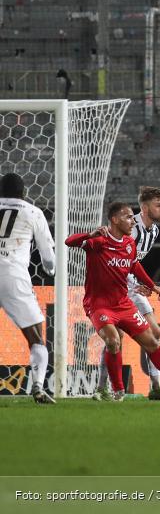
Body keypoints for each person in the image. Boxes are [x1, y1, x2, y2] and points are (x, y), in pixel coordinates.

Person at [65, 202, 160, 402]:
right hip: (99, 305)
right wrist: (90, 234)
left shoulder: (129, 244)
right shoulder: (99, 241)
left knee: (152, 342)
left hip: (123, 304)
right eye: (128, 217)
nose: (133, 221)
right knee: (113, 340)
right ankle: (118, 391)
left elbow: (134, 266)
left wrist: (153, 286)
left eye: (133, 217)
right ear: (115, 220)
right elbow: (69, 241)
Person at [95, 185, 160, 401]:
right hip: (115, 287)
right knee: (115, 338)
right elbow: (113, 256)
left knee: (154, 332)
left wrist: (142, 283)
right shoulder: (130, 227)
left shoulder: (154, 231)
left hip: (131, 286)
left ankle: (155, 387)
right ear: (145, 208)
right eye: (158, 205)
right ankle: (102, 388)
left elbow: (132, 262)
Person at [0, 173, 56, 404]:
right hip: (13, 276)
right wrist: (50, 270)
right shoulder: (33, 212)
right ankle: (38, 387)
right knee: (36, 337)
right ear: (23, 193)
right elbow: (47, 255)